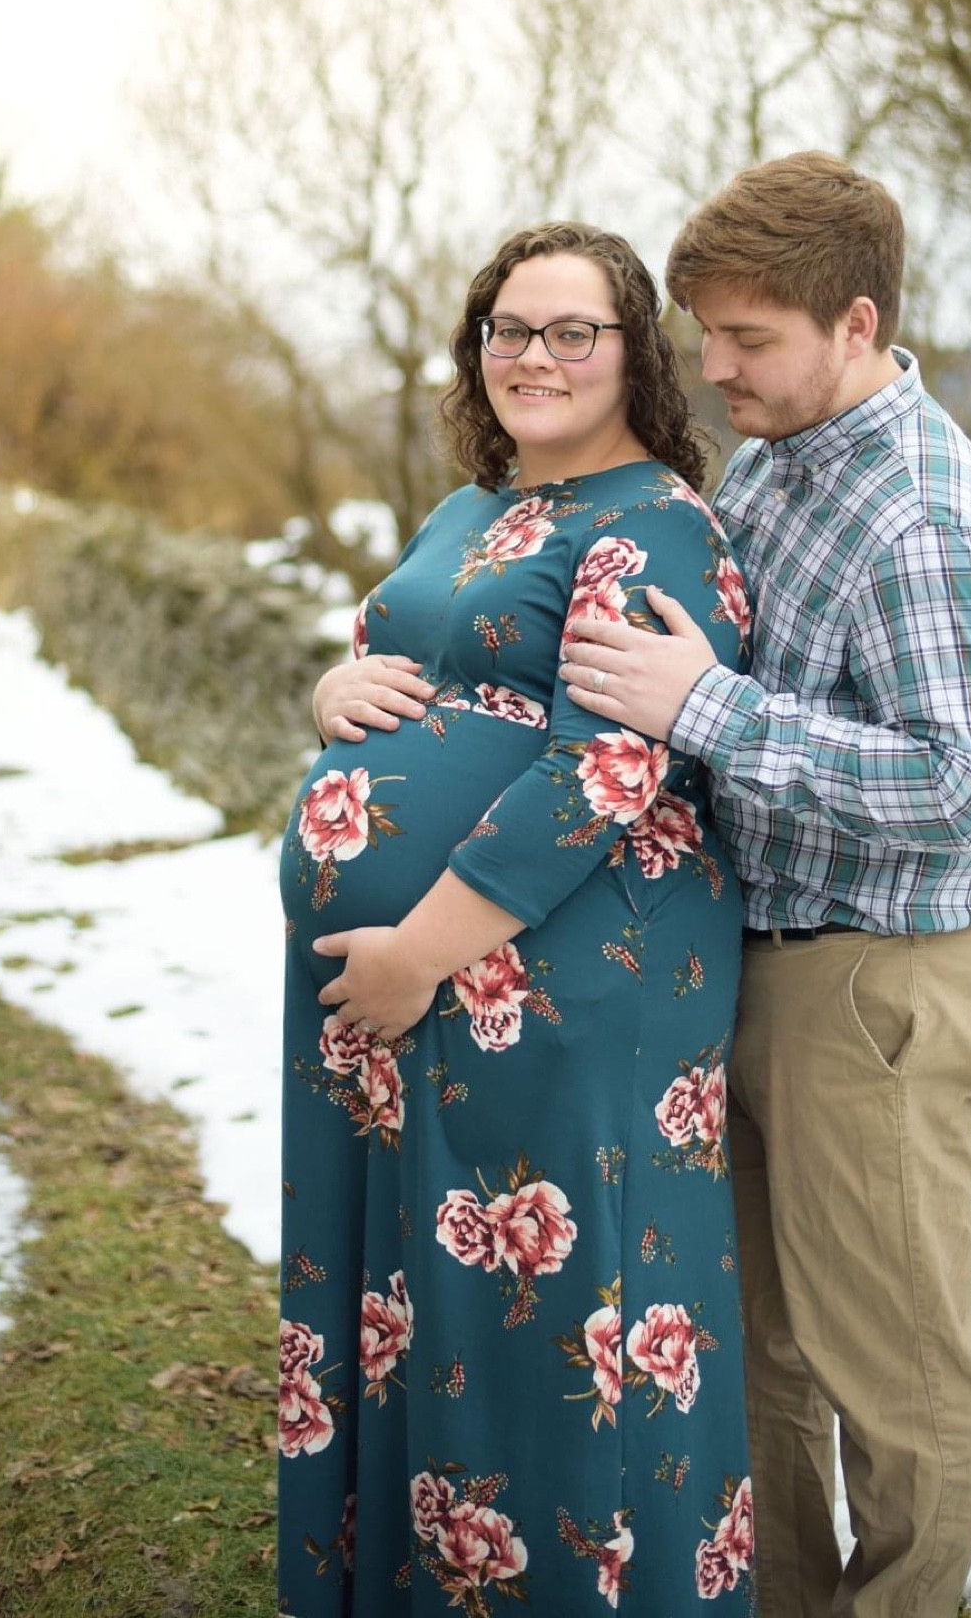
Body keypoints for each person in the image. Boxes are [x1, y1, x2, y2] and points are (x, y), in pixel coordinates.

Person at [554, 152, 971, 1618]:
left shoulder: (931, 518)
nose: (714, 371)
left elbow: (959, 788)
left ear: (855, 322)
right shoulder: (778, 458)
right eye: (704, 335)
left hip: (881, 980)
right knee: (762, 1355)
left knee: (892, 1373)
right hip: (760, 959)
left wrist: (705, 711)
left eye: (747, 340)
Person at [280, 222, 757, 1617]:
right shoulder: (470, 509)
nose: (533, 357)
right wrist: (331, 696)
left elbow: (604, 766)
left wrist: (419, 952)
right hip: (411, 993)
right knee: (417, 1313)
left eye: (572, 333)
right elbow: (401, 660)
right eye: (508, 328)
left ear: (632, 357)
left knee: (541, 1332)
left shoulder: (654, 522)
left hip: (551, 985)